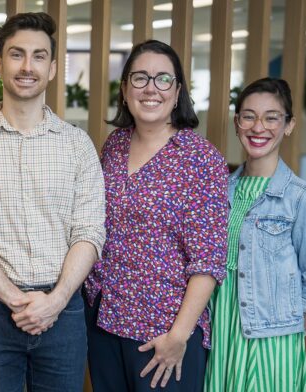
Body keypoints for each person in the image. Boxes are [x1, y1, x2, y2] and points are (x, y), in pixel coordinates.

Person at [0, 12, 106, 391]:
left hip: (63, 310)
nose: (27, 66)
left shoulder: (77, 145)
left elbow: (89, 231)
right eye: (17, 55)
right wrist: (18, 301)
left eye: (38, 56)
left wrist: (56, 299)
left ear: (51, 69)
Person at [84, 39, 229, 391]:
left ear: (177, 91)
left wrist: (179, 336)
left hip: (163, 333)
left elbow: (208, 259)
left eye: (163, 79)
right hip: (103, 320)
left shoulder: (201, 159)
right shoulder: (114, 145)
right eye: (140, 78)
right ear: (124, 89)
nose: (151, 88)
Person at [203, 77, 306, 391]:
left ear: (288, 125)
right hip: (219, 336)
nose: (258, 127)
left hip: (271, 343)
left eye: (271, 117)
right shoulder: (218, 191)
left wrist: (289, 337)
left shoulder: (303, 198)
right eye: (248, 116)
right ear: (237, 124)